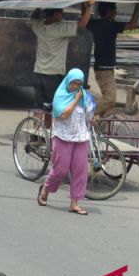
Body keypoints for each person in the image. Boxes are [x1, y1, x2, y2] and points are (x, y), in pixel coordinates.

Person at [36, 68, 97, 215]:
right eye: (73, 83)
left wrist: (93, 119)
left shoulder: (85, 97)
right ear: (68, 82)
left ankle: (74, 202)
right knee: (60, 170)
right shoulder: (60, 95)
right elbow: (63, 115)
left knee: (80, 170)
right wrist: (76, 99)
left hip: (80, 137)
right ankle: (46, 189)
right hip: (62, 136)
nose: (75, 86)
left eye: (78, 84)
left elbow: (90, 115)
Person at [31, 0, 94, 126]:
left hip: (38, 72)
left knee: (39, 106)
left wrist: (39, 6)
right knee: (51, 106)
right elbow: (82, 24)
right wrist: (89, 8)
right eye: (60, 13)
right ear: (54, 15)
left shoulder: (39, 26)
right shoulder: (59, 29)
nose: (62, 15)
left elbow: (34, 17)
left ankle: (35, 133)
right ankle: (48, 134)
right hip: (52, 75)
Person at [87, 2, 139, 119]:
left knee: (109, 106)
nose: (116, 13)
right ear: (109, 12)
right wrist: (137, 6)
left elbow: (85, 19)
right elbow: (132, 25)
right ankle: (86, 115)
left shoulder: (94, 24)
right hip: (104, 70)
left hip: (102, 68)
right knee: (110, 100)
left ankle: (101, 131)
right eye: (114, 10)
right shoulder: (110, 26)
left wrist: (86, 6)